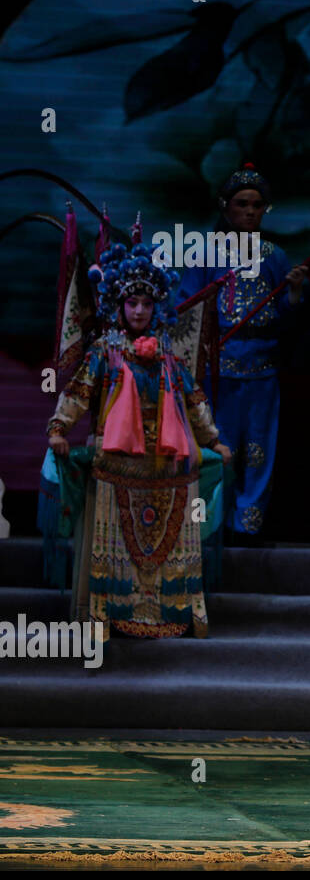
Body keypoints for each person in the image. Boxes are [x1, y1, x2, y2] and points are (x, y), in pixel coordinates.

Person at [46, 240, 232, 638]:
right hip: (117, 461)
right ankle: (109, 613)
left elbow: (193, 397)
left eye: (147, 304)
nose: (139, 311)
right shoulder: (105, 351)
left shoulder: (168, 354)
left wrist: (212, 440)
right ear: (119, 306)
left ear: (156, 308)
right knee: (117, 543)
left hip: (164, 461)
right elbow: (79, 392)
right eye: (132, 304)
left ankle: (171, 612)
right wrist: (59, 427)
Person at [181, 162, 306, 537]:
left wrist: (296, 293)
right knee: (219, 448)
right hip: (216, 372)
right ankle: (212, 526)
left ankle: (247, 527)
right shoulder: (204, 253)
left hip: (262, 372)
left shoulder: (275, 256)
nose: (250, 211)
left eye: (257, 204)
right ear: (225, 207)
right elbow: (185, 309)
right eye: (241, 203)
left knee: (257, 452)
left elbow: (288, 318)